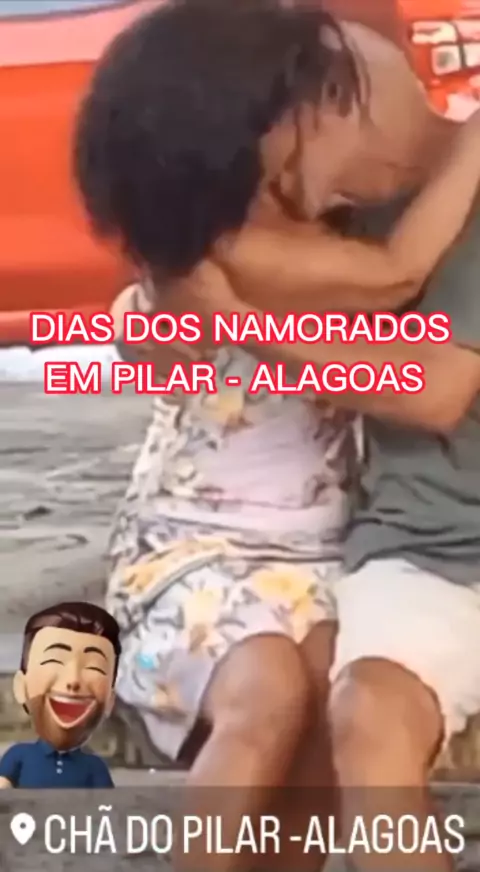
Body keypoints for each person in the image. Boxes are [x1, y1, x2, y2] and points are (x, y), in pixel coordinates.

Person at [74, 1, 480, 869]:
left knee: (327, 715)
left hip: (316, 551)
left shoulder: (305, 224)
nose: (313, 189)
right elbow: (398, 274)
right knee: (264, 697)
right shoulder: (233, 250)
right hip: (203, 545)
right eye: (286, 174)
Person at [0, 602, 120, 788]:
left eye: (94, 667)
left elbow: (108, 805)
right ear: (21, 687)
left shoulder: (94, 767)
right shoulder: (18, 757)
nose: (73, 680)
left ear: (109, 701)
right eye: (54, 660)